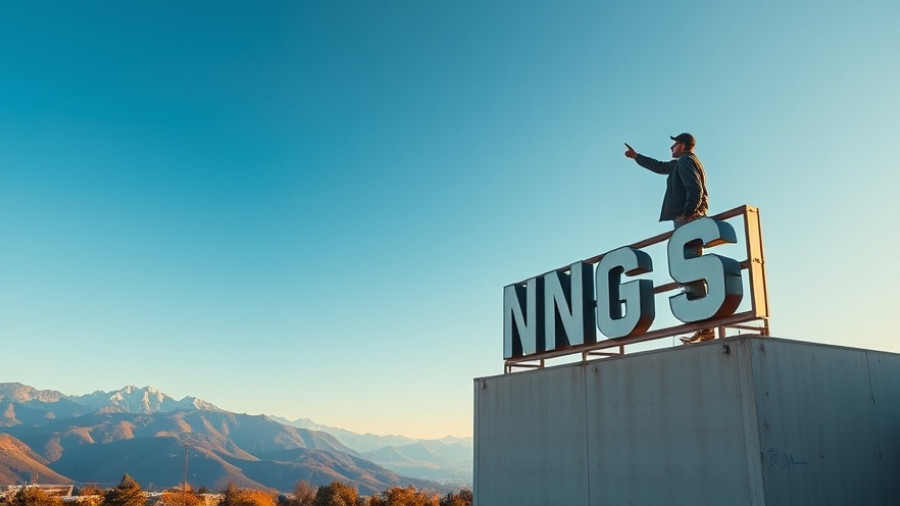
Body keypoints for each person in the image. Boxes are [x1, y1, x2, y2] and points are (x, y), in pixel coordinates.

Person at [624, 133, 714, 344]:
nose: (671, 148)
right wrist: (637, 156)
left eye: (674, 144)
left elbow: (696, 189)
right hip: (689, 222)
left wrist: (689, 211)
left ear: (682, 146)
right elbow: (659, 167)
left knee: (690, 270)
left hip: (689, 222)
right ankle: (704, 328)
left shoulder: (686, 161)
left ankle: (705, 328)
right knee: (690, 271)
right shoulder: (681, 163)